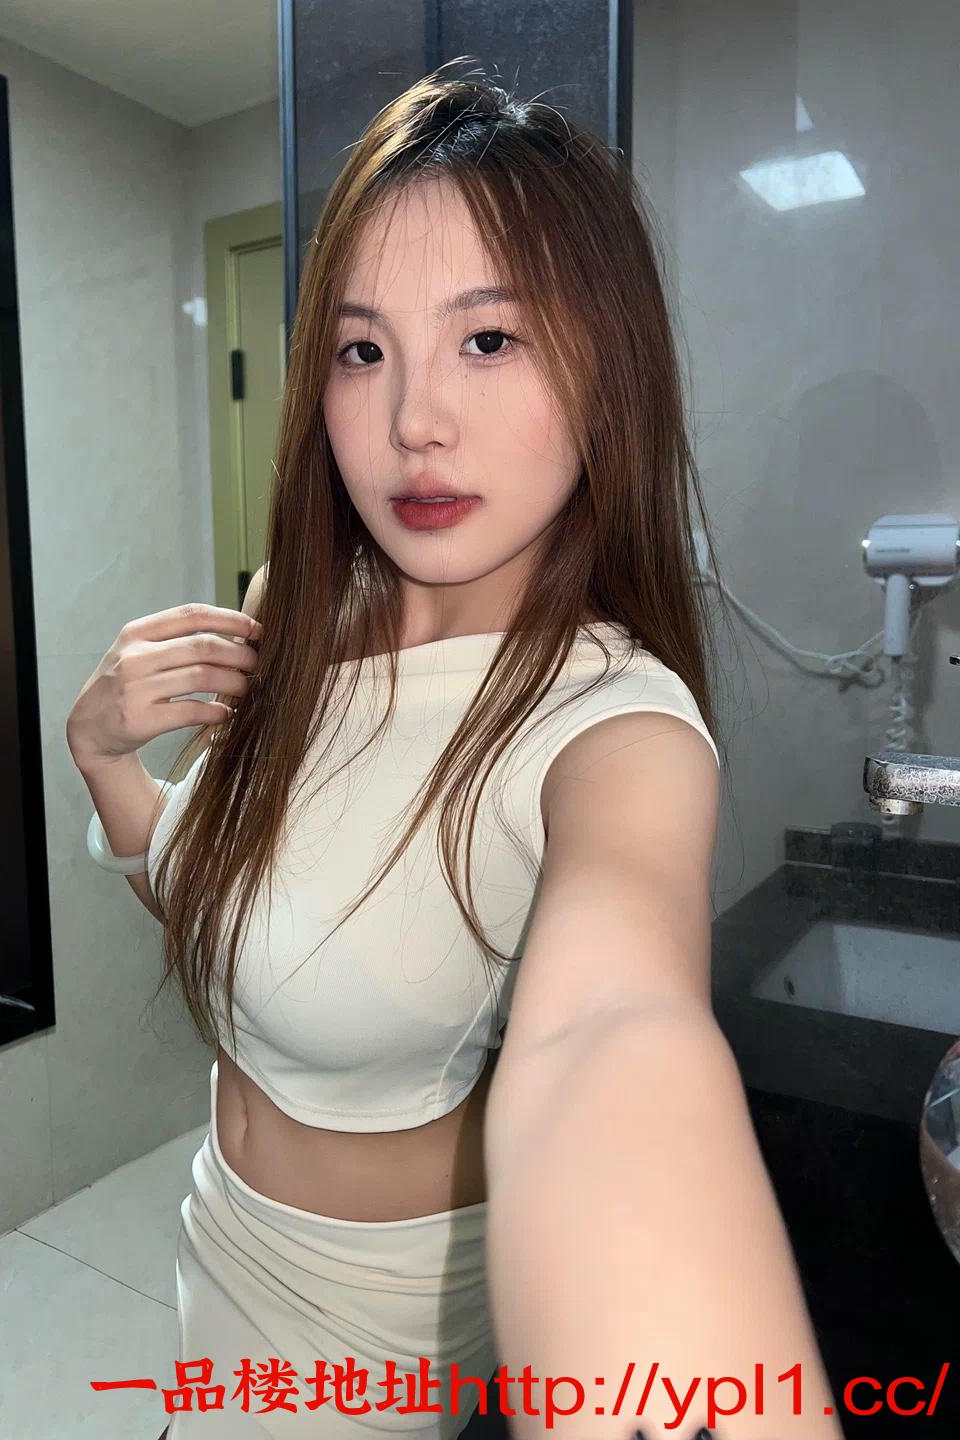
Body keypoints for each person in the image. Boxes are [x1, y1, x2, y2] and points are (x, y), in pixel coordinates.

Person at [68, 61, 843, 1440]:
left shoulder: (611, 727)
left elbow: (614, 1032)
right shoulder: (292, 612)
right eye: (363, 351)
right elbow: (231, 914)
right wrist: (107, 765)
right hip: (217, 1234)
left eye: (489, 339)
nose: (414, 418)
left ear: (607, 373)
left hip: (379, 1336)